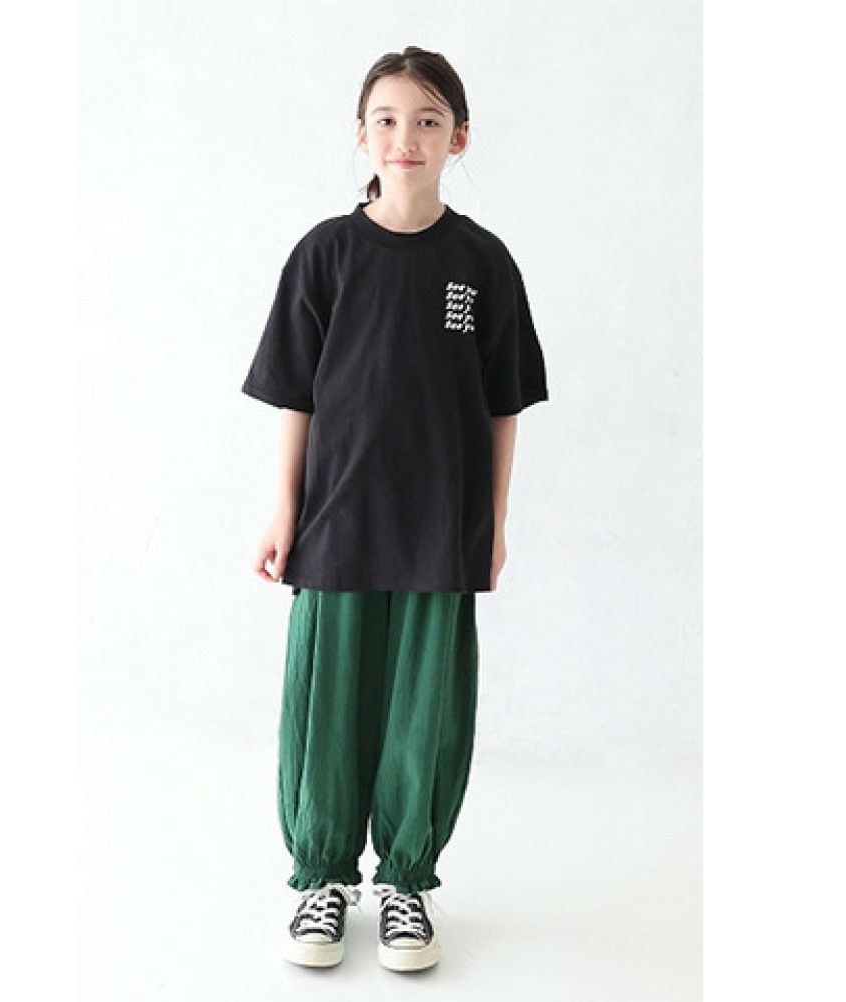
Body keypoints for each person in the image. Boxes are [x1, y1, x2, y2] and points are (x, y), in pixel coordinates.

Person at [241, 45, 549, 972]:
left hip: (440, 523)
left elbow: (502, 405)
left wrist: (494, 523)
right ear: (360, 133)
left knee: (425, 708)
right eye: (386, 119)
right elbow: (295, 396)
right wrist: (283, 511)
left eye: (426, 120)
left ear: (460, 136)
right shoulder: (326, 255)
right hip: (338, 519)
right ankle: (323, 878)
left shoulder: (482, 264)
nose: (404, 137)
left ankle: (406, 883)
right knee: (328, 702)